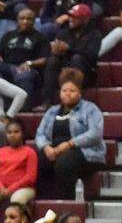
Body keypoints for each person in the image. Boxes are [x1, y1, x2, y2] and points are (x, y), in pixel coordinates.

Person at [35, 69, 105, 200]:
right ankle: (45, 203)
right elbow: (40, 134)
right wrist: (46, 147)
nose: (68, 94)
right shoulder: (52, 111)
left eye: (72, 91)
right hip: (55, 150)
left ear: (79, 93)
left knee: (65, 162)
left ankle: (67, 203)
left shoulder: (90, 109)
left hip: (85, 153)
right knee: (40, 160)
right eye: (64, 90)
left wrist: (69, 144)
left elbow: (95, 134)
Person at [44, 4, 101, 104]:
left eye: (75, 17)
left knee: (77, 58)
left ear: (85, 20)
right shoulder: (63, 33)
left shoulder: (94, 35)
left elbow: (91, 56)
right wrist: (55, 50)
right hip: (64, 71)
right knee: (53, 60)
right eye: (70, 16)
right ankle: (48, 101)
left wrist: (68, 49)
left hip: (85, 73)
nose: (71, 19)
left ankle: (74, 99)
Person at [0, 8, 49, 104]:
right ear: (17, 20)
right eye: (22, 18)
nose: (25, 21)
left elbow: (44, 59)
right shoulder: (8, 35)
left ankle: (24, 106)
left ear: (34, 21)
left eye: (29, 19)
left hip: (28, 68)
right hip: (8, 67)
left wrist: (30, 63)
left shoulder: (40, 38)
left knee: (24, 75)